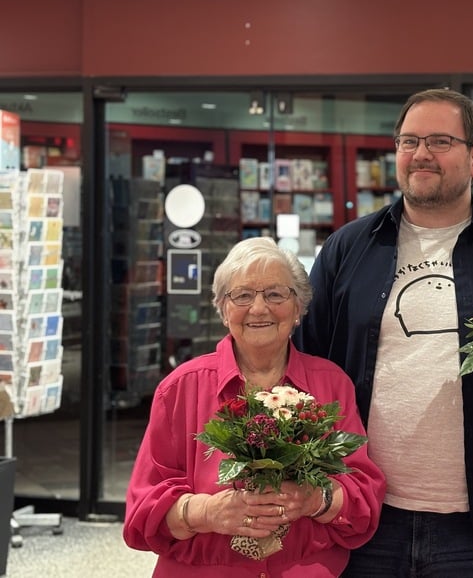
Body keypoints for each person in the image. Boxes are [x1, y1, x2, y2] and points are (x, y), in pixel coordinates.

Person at [295, 88, 473, 577]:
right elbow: (305, 363)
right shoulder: (347, 249)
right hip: (361, 514)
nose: (420, 153)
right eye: (409, 141)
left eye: (439, 141)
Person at [124, 237, 385, 577]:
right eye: (243, 295)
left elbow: (363, 500)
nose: (259, 309)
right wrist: (207, 512)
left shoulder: (331, 385)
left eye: (275, 294)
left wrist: (315, 499)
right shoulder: (180, 389)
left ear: (298, 309)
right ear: (223, 309)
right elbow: (141, 513)